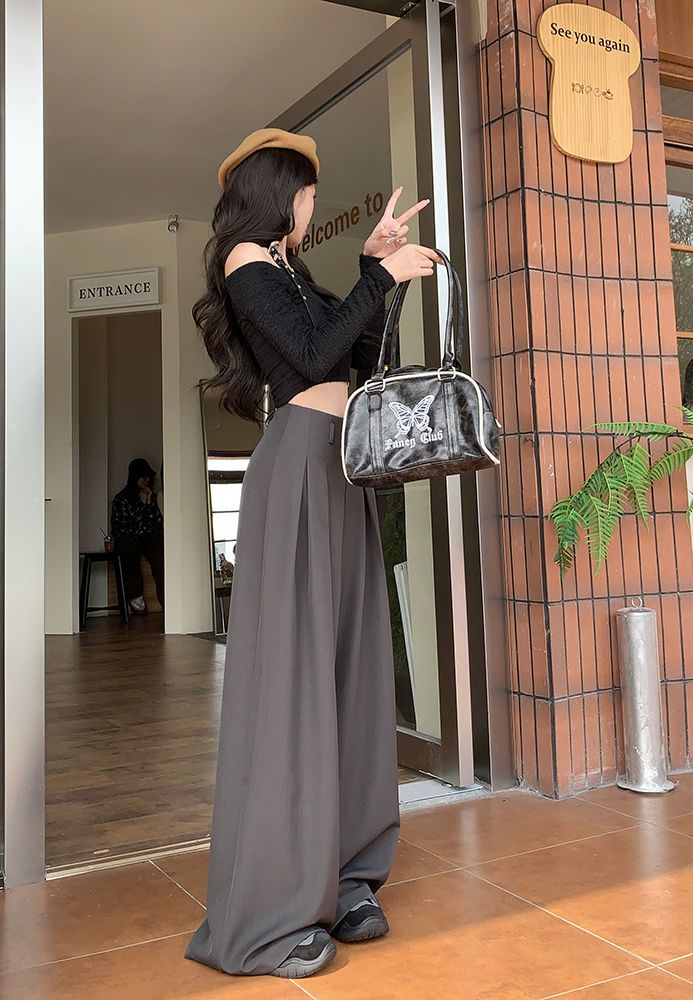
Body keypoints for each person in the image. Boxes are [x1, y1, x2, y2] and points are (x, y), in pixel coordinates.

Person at [183, 126, 442, 979]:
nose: (312, 206)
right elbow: (305, 358)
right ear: (278, 193)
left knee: (352, 668)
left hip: (339, 468)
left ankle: (348, 873)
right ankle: (268, 912)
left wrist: (374, 269)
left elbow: (354, 357)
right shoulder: (246, 263)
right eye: (307, 193)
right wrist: (378, 278)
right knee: (292, 683)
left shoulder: (289, 269)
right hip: (297, 468)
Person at [110, 457, 165, 613]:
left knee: (158, 549)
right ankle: (135, 597)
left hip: (146, 536)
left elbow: (157, 522)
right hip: (128, 536)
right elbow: (127, 526)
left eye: (148, 477)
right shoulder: (122, 499)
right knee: (129, 549)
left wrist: (149, 504)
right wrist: (141, 504)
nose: (146, 481)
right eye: (143, 477)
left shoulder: (151, 496)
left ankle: (166, 599)